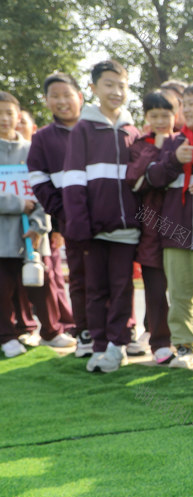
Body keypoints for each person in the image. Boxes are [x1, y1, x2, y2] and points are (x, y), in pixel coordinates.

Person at [62, 60, 141, 373]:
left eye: (122, 85)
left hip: (127, 231)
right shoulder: (83, 129)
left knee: (122, 288)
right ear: (92, 89)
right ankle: (97, 345)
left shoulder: (133, 131)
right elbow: (73, 181)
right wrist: (80, 225)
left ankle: (116, 345)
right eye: (109, 84)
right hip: (93, 231)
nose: (116, 91)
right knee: (96, 290)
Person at [144, 80, 193, 370]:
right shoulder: (175, 142)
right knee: (178, 297)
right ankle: (184, 347)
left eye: (192, 104)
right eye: (183, 104)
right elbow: (153, 178)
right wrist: (175, 161)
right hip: (174, 235)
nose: (185, 110)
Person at [0, 91, 69, 358]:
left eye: (9, 113)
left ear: (18, 116)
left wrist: (40, 224)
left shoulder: (31, 149)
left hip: (31, 234)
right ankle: (7, 336)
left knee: (43, 283)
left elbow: (44, 190)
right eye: (0, 114)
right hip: (3, 237)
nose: (4, 119)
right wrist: (18, 204)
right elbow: (23, 200)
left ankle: (52, 331)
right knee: (3, 287)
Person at [27, 72, 84, 350]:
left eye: (67, 94)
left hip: (108, 220)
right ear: (47, 101)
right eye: (55, 96)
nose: (62, 101)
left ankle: (122, 332)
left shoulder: (97, 130)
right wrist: (63, 215)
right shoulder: (43, 139)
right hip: (72, 222)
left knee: (115, 277)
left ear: (80, 97)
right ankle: (85, 332)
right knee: (81, 279)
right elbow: (39, 181)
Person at [126, 90, 177, 364]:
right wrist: (155, 148)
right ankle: (160, 343)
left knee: (184, 289)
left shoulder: (185, 142)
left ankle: (189, 340)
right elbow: (134, 180)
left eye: (165, 115)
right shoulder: (139, 145)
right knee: (155, 291)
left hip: (182, 228)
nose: (160, 120)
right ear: (145, 118)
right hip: (151, 231)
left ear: (175, 115)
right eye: (154, 115)